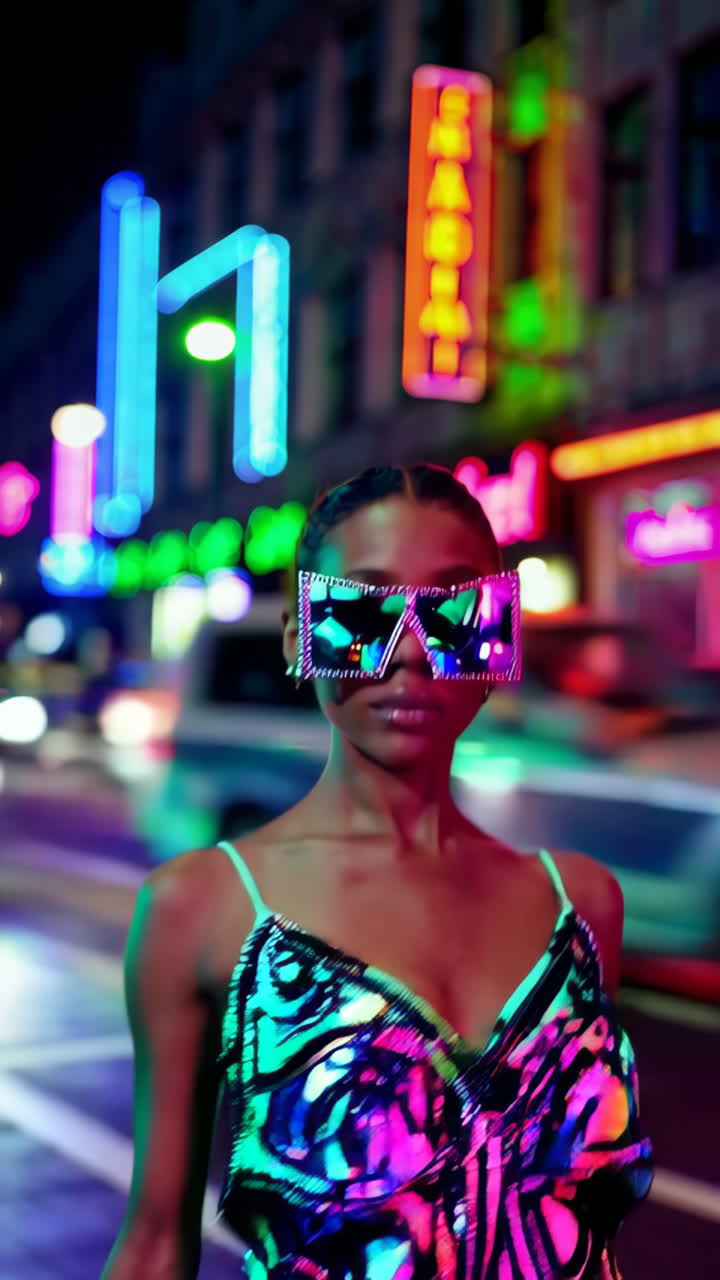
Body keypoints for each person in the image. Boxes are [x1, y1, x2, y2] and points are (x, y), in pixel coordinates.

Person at [102, 464, 652, 1280]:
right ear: (298, 639)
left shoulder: (582, 903)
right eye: (363, 612)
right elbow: (155, 1244)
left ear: (499, 636)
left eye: (456, 611)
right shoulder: (203, 907)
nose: (412, 653)